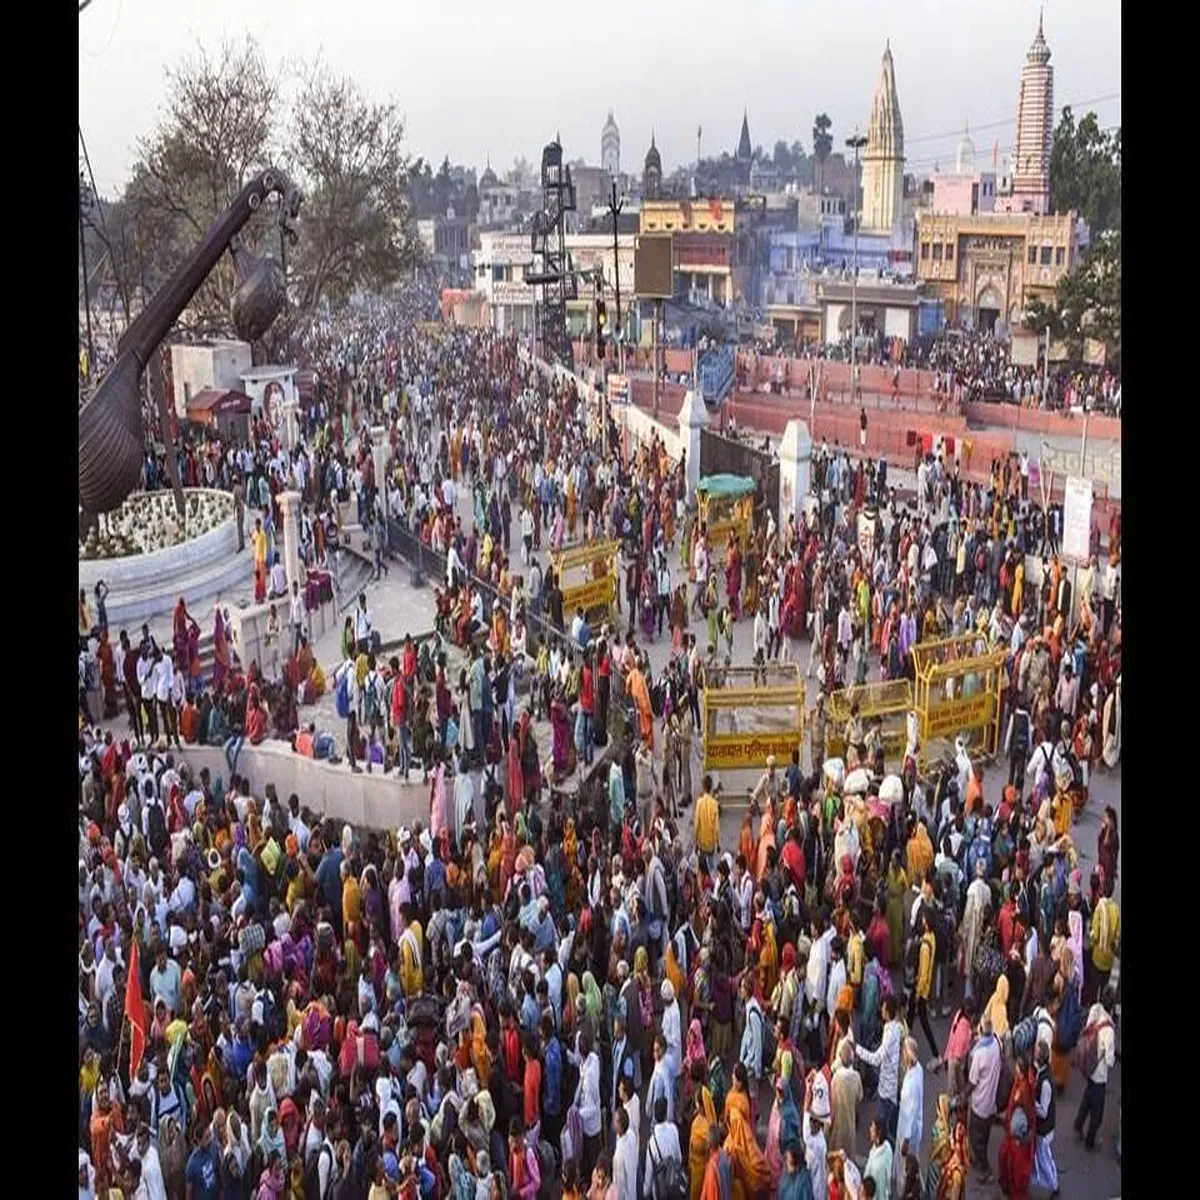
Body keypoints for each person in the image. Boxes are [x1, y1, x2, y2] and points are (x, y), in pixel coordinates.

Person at [1072, 986, 1117, 1151]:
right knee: (1097, 1111)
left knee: (1087, 1096)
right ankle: (1090, 1140)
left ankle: (1078, 1123)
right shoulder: (1109, 1029)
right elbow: (1110, 1060)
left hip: (1087, 1064)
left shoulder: (1094, 1010)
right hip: (1099, 1072)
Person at [967, 1012, 1002, 1183]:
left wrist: (961, 1096)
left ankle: (985, 1168)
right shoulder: (996, 1042)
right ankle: (980, 1161)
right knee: (984, 1136)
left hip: (979, 1103)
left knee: (975, 1136)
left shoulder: (979, 1054)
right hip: (992, 1102)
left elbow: (972, 1082)